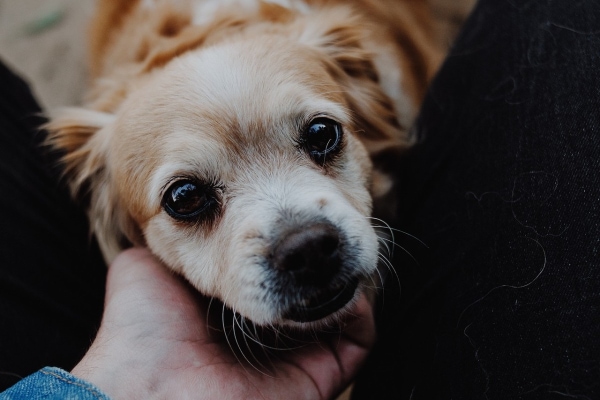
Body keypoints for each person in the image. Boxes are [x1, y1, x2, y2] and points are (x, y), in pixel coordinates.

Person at [2, 0, 600, 398]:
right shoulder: (110, 158)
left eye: (320, 138)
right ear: (125, 230)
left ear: (363, 117)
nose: (301, 240)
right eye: (189, 199)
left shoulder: (362, 74)